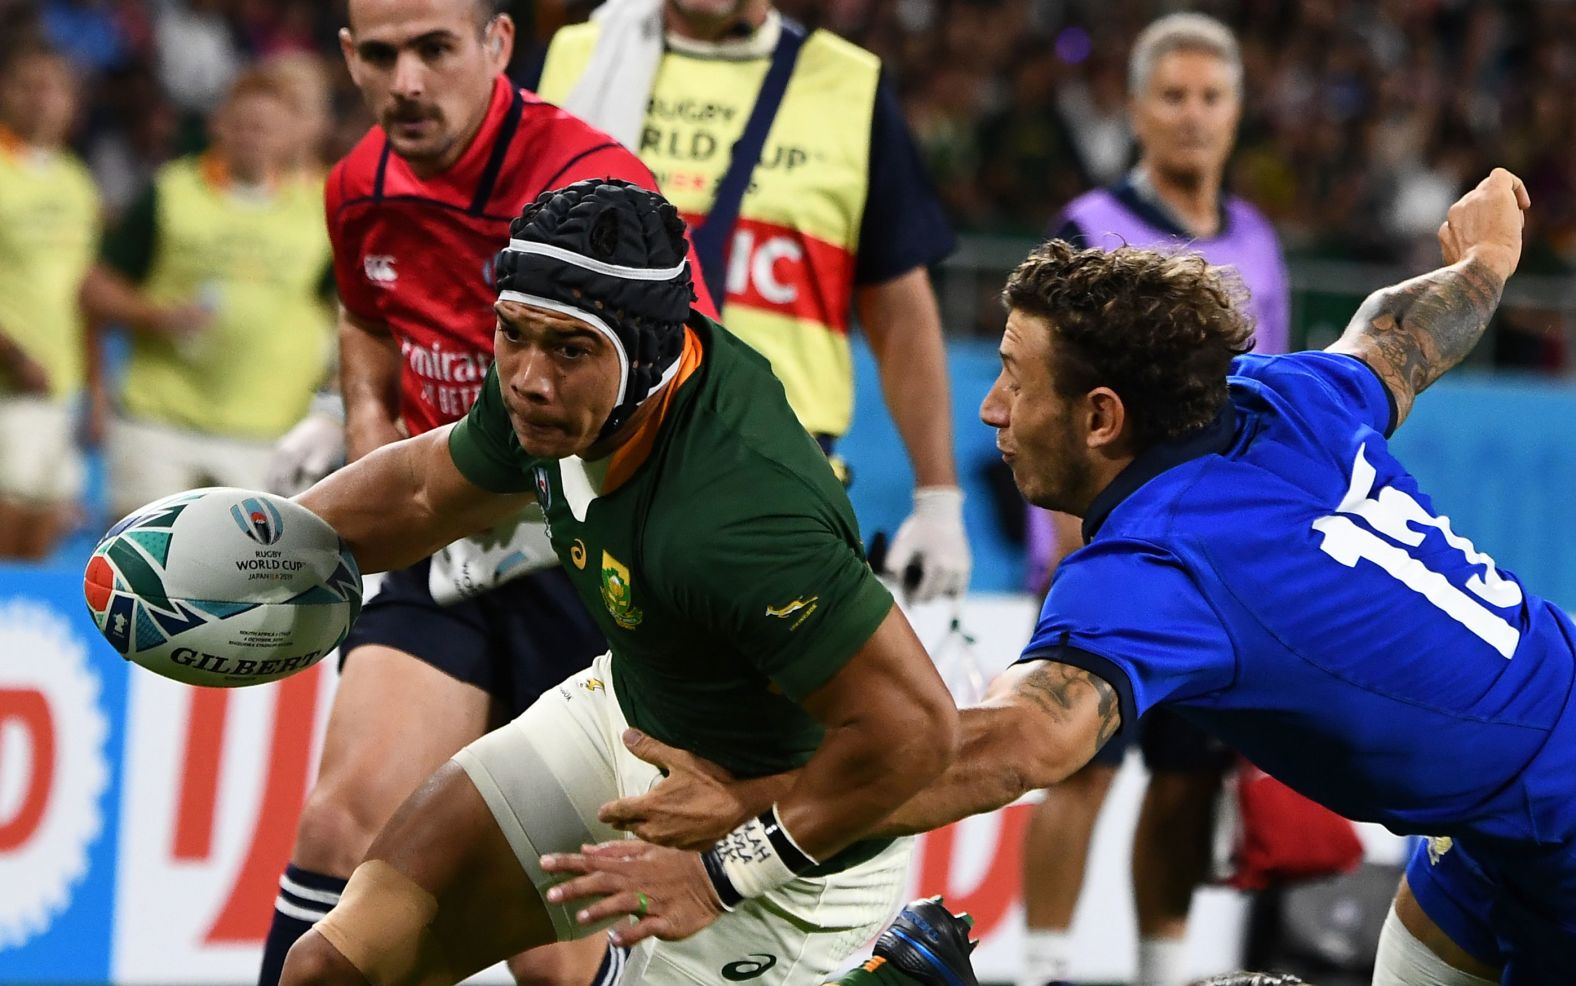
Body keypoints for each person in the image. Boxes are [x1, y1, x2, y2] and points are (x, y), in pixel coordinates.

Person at [574, 169, 1558, 985]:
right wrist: (1484, 264)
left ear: (1100, 417)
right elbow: (1397, 334)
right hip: (1486, 830)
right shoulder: (1278, 397)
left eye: (1013, 375)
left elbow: (1008, 747)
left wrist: (741, 847)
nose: (992, 408)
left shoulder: (1153, 565)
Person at [277, 176, 959, 986]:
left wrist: (728, 868)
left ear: (645, 358)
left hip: (785, 849)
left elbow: (916, 734)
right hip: (623, 718)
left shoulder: (738, 516)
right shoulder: (560, 376)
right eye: (512, 335)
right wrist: (267, 542)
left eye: (567, 349)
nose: (527, 376)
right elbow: (427, 489)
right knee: (333, 968)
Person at [254, 3, 719, 985]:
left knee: (553, 955)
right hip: (446, 547)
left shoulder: (590, 185)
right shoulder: (357, 186)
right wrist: (369, 430)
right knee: (342, 817)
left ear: (499, 47)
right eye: (380, 56)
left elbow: (693, 371)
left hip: (589, 568)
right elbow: (366, 317)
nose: (406, 82)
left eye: (435, 50)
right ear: (349, 58)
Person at [1018, 15, 1292, 985]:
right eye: (1171, 96)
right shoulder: (1089, 230)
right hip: (1105, 555)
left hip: (1212, 569)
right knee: (1076, 768)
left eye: (1209, 97)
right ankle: (1044, 965)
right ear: (1135, 108)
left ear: (1235, 112)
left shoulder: (1258, 242)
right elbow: (1040, 403)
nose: (1191, 116)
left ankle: (1162, 971)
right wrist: (1068, 549)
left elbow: (1265, 408)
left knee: (1184, 782)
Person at [533, 0, 971, 603]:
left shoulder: (849, 86)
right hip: (585, 470)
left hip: (776, 479)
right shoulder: (573, 60)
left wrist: (938, 500)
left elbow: (899, 316)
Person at [81, 67, 331, 522]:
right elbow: (95, 289)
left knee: (249, 580)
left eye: (267, 127)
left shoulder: (319, 208)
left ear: (291, 135)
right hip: (159, 422)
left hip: (266, 431)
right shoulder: (170, 193)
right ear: (218, 125)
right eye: (243, 124)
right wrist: (156, 316)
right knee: (139, 570)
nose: (253, 136)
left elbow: (349, 310)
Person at [0, 44, 99, 560]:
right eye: (29, 85)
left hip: (59, 386)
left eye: (54, 88)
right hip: (9, 384)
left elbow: (83, 291)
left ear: (72, 104)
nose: (42, 100)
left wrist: (94, 387)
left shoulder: (75, 181)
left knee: (42, 533)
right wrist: (12, 356)